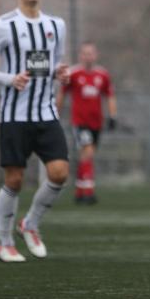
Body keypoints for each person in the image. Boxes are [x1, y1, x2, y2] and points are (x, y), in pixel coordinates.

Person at [0, 0, 70, 263]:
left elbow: (49, 64)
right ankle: (4, 243)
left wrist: (58, 72)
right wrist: (9, 79)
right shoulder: (3, 25)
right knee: (14, 180)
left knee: (59, 173)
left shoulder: (56, 25)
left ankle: (30, 223)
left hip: (46, 113)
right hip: (15, 115)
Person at [57, 42, 117, 205]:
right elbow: (62, 95)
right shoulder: (74, 74)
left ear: (95, 55)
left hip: (96, 123)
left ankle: (79, 191)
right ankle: (88, 192)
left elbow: (110, 96)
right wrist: (56, 113)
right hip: (79, 122)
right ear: (80, 55)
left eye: (91, 53)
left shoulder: (102, 75)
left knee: (87, 155)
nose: (88, 56)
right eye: (85, 53)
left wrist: (112, 116)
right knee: (88, 151)